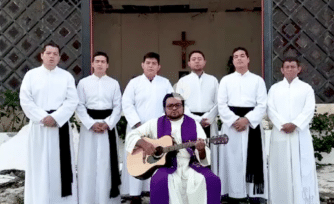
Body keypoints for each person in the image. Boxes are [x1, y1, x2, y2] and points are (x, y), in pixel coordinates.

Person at [125, 93, 221, 204]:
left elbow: (204, 157)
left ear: (183, 107)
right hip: (167, 165)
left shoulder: (194, 124)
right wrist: (145, 145)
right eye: (170, 106)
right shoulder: (155, 123)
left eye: (178, 105)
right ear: (164, 108)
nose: (174, 108)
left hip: (190, 165)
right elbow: (131, 135)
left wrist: (201, 150)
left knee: (212, 180)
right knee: (159, 181)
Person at [20, 42, 79, 204]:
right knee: (39, 166)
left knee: (59, 167)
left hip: (59, 127)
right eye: (48, 53)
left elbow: (72, 100)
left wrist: (57, 118)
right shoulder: (31, 75)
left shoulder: (66, 77)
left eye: (55, 54)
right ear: (42, 55)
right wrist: (42, 117)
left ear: (59, 57)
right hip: (39, 127)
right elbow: (25, 100)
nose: (51, 56)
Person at [121, 52, 174, 204]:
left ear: (159, 67)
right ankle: (134, 195)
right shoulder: (134, 83)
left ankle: (154, 193)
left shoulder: (165, 83)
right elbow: (127, 103)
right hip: (137, 127)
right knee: (137, 159)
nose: (151, 66)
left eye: (154, 63)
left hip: (157, 129)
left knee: (156, 159)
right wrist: (137, 124)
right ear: (142, 65)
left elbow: (171, 103)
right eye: (148, 63)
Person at [217, 47, 268, 203]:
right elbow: (221, 104)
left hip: (250, 125)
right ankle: (233, 193)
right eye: (236, 57)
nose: (239, 59)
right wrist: (234, 121)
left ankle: (252, 194)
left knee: (250, 159)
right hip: (231, 126)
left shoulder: (258, 80)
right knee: (231, 160)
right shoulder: (226, 80)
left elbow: (262, 104)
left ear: (248, 59)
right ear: (233, 61)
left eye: (242, 56)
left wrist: (247, 120)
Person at [267, 57, 319, 204]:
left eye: (293, 66)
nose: (290, 69)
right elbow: (270, 109)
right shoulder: (274, 89)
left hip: (299, 134)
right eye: (287, 67)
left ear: (299, 69)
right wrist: (282, 124)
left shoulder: (306, 88)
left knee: (301, 169)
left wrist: (295, 124)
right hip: (280, 133)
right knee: (280, 168)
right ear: (282, 70)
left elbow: (309, 110)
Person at [76, 52, 122, 204]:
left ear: (107, 65)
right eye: (97, 61)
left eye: (103, 61)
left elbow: (117, 106)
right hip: (89, 127)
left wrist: (108, 123)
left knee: (106, 162)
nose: (100, 64)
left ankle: (107, 199)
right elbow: (80, 105)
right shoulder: (83, 83)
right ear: (93, 64)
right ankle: (87, 199)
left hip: (107, 126)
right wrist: (91, 123)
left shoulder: (114, 83)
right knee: (88, 161)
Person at [175, 50, 219, 174]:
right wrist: (198, 119)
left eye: (200, 58)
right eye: (193, 59)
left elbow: (218, 102)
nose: (197, 61)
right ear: (189, 63)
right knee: (190, 154)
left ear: (204, 62)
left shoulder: (213, 80)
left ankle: (210, 183)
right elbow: (180, 104)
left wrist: (208, 118)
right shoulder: (183, 81)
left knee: (210, 154)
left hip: (209, 122)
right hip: (191, 121)